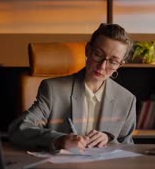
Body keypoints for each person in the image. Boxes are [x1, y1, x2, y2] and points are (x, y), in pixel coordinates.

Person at [8, 23, 136, 151]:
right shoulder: (54, 90)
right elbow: (19, 129)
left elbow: (128, 147)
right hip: (64, 168)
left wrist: (109, 138)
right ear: (88, 50)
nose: (102, 66)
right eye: (98, 54)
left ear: (120, 64)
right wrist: (58, 140)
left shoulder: (127, 100)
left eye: (113, 61)